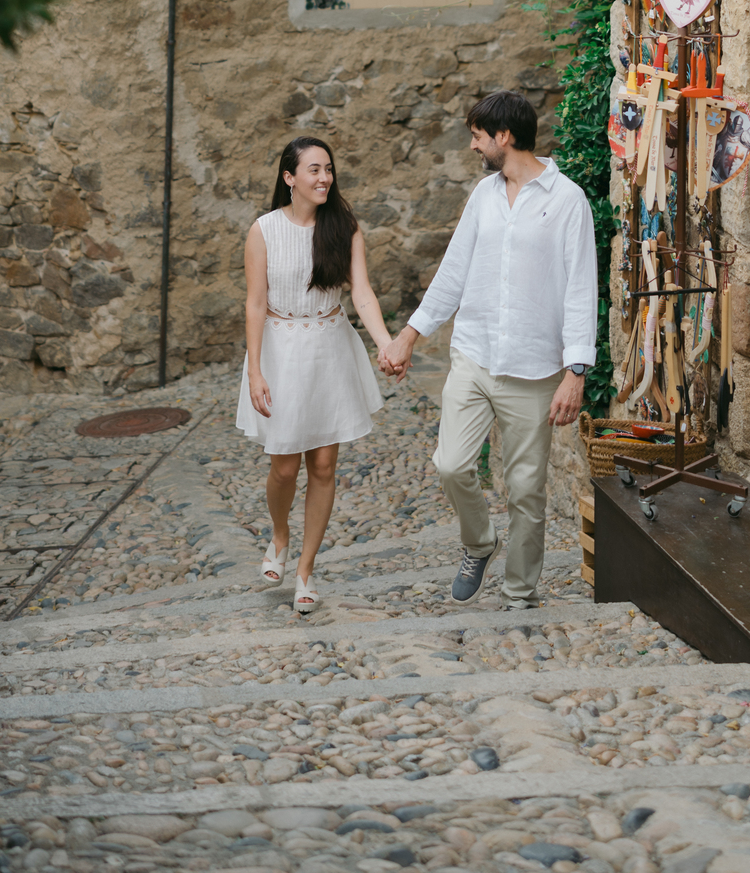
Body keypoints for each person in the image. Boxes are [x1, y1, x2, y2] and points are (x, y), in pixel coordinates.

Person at [386, 90, 598, 610]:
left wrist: (576, 371)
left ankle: (520, 591)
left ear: (504, 136)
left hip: (533, 370)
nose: (474, 146)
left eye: (478, 136)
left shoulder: (566, 200)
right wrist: (411, 334)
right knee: (451, 464)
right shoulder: (482, 196)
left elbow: (580, 288)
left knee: (526, 491)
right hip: (475, 355)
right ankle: (479, 543)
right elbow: (453, 272)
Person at [235, 135, 402, 614]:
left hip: (330, 348)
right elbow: (254, 303)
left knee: (324, 466)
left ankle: (306, 570)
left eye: (328, 168)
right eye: (313, 169)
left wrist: (386, 343)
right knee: (284, 466)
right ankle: (280, 535)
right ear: (290, 178)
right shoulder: (263, 230)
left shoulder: (344, 227)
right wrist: (255, 370)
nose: (324, 177)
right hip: (280, 352)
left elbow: (363, 294)